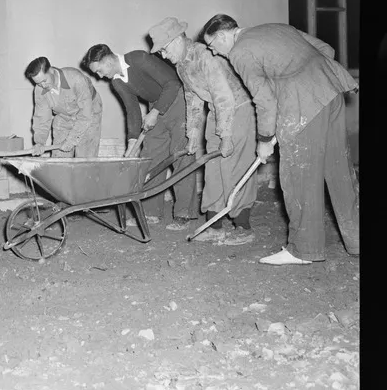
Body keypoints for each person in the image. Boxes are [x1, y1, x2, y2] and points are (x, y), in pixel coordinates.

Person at [202, 14, 359, 265]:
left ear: (222, 36)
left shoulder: (239, 52)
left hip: (302, 104)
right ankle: (357, 240)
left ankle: (303, 250)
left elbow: (264, 99)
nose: (215, 52)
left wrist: (264, 139)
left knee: (298, 177)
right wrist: (306, 77)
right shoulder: (274, 27)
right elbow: (325, 49)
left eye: (212, 46)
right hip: (331, 91)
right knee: (339, 170)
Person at [149, 17, 258, 245]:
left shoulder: (205, 57)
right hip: (216, 110)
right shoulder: (181, 65)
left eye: (164, 49)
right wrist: (192, 134)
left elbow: (224, 96)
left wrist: (226, 135)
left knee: (235, 166)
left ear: (177, 40)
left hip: (237, 108)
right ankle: (214, 225)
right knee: (213, 167)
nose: (163, 56)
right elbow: (193, 98)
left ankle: (243, 227)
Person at [84, 43, 199, 227]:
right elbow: (132, 110)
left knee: (181, 156)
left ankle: (184, 213)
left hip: (178, 100)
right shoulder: (117, 81)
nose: (99, 76)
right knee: (150, 157)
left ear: (108, 60)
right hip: (156, 105)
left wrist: (155, 112)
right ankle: (151, 211)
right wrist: (132, 141)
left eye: (99, 70)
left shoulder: (138, 58)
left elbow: (173, 83)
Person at [25, 57, 103, 158]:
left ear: (51, 70)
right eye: (38, 83)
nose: (43, 85)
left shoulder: (76, 79)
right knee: (59, 159)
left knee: (85, 160)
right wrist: (39, 142)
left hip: (90, 111)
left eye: (44, 80)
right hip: (64, 116)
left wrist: (72, 140)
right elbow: (41, 118)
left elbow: (85, 116)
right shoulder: (39, 89)